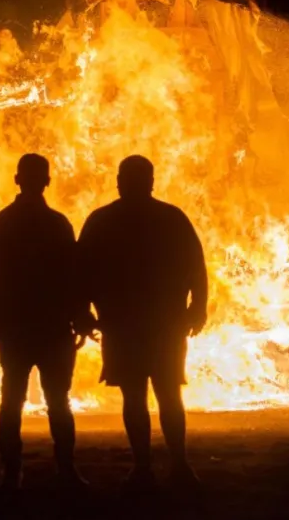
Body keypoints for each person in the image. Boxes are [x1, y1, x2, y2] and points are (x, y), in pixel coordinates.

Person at [77, 155, 208, 491]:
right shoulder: (171, 218)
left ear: (120, 181)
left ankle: (144, 468)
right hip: (163, 324)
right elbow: (197, 266)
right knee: (167, 395)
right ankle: (177, 465)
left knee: (135, 397)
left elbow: (80, 272)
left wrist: (83, 314)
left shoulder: (102, 221)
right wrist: (198, 308)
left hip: (123, 326)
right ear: (151, 181)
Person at [0, 153, 89, 491]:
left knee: (12, 401)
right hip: (53, 328)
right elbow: (75, 276)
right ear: (47, 181)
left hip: (17, 329)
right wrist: (81, 317)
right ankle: (66, 471)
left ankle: (12, 474)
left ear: (17, 180)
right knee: (58, 401)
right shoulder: (58, 224)